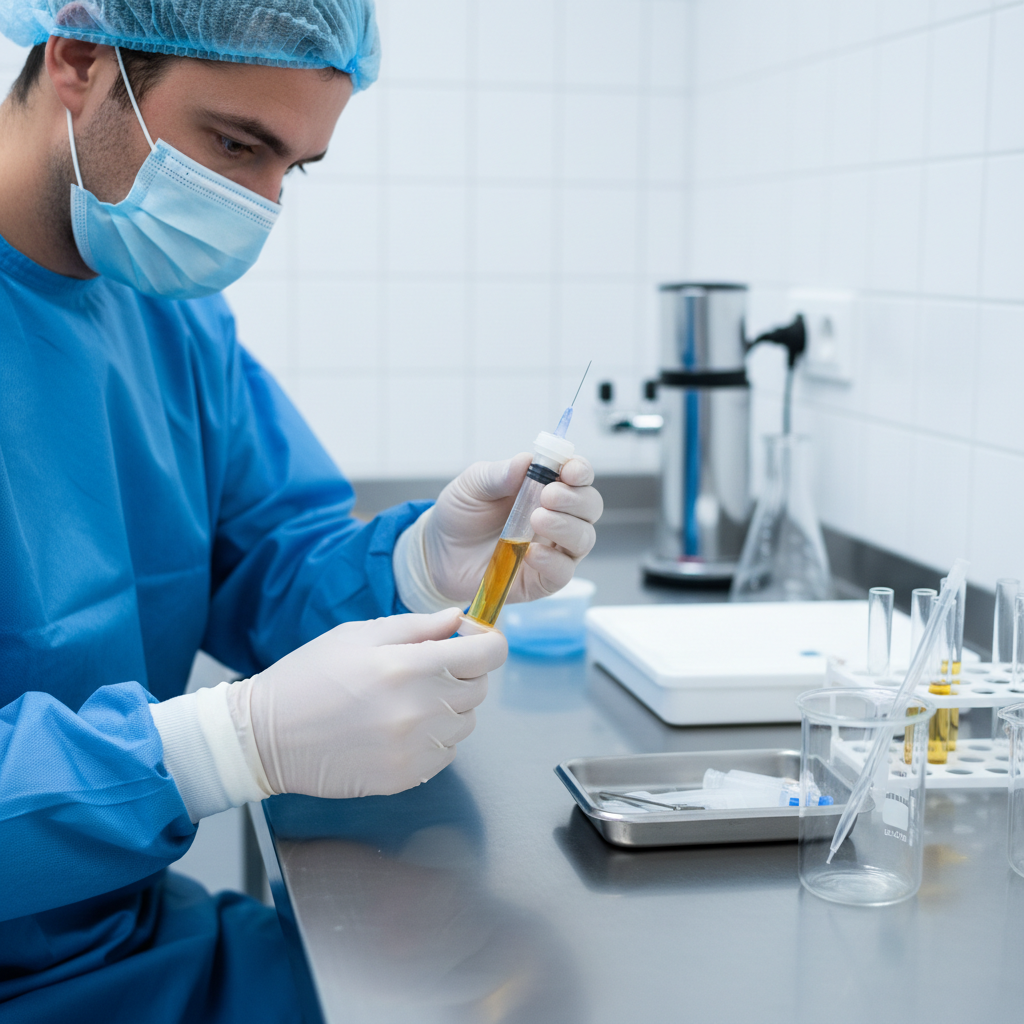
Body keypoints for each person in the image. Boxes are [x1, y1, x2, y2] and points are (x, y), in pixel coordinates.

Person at [0, 1, 603, 1019]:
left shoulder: (170, 317)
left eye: (294, 169)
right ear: (78, 57)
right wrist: (219, 744)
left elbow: (268, 556)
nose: (258, 204)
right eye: (235, 144)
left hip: (128, 943)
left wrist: (419, 565)